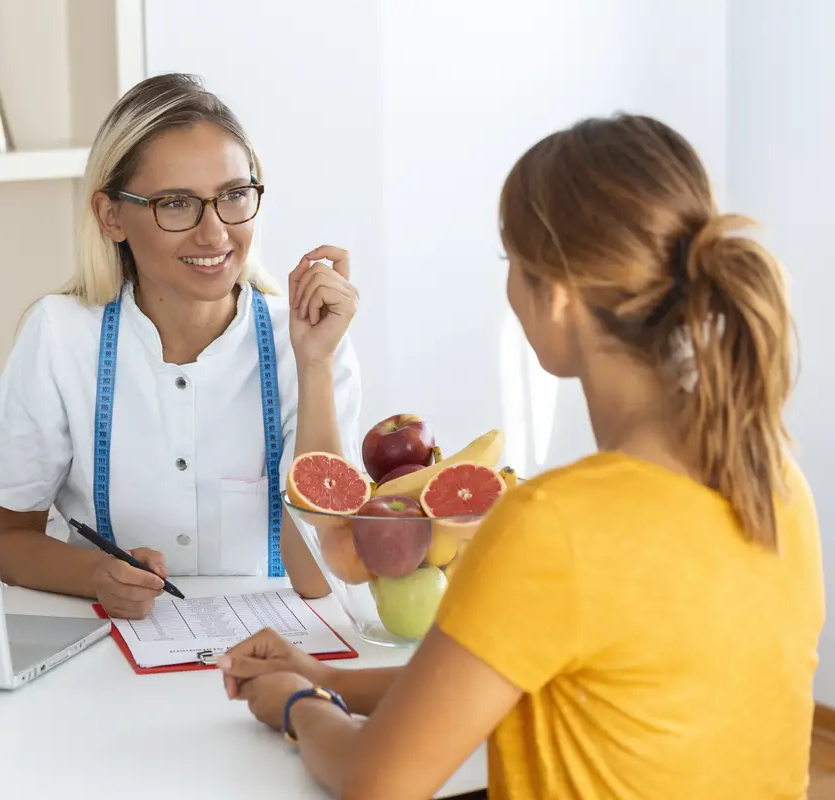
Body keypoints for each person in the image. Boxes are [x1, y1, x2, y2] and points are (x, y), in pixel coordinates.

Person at [215, 114, 823, 799]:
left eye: (512, 264)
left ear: (556, 295)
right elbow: (498, 666)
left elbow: (374, 783)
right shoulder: (772, 480)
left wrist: (300, 707)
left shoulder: (554, 523)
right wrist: (326, 678)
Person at [0, 73, 362, 620]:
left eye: (233, 195)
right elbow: (5, 538)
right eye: (176, 203)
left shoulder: (305, 340)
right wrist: (95, 575)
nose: (214, 234)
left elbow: (325, 566)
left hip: (279, 655)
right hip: (107, 660)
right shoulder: (61, 336)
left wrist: (315, 364)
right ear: (112, 216)